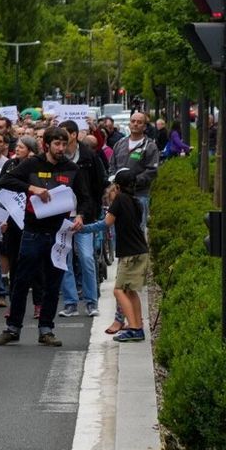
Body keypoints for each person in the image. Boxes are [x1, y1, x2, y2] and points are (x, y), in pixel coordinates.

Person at [0, 127, 91, 348]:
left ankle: (46, 329)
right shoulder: (32, 164)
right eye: (57, 144)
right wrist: (32, 188)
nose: (61, 149)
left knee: (53, 282)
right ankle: (12, 328)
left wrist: (81, 216)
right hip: (33, 231)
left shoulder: (72, 168)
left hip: (59, 233)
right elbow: (5, 183)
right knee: (21, 280)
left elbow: (85, 197)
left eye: (64, 144)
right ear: (46, 145)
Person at [57, 120, 107, 319]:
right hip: (61, 218)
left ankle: (91, 302)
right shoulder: (56, 158)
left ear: (74, 135)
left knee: (86, 257)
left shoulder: (89, 156)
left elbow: (99, 183)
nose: (60, 139)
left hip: (84, 216)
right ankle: (70, 302)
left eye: (64, 134)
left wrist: (90, 209)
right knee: (64, 260)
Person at [101, 170, 149, 342]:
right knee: (130, 291)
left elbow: (107, 222)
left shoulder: (120, 199)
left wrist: (83, 228)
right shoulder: (136, 202)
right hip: (140, 250)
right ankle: (137, 324)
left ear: (118, 186)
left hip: (130, 254)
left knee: (118, 290)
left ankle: (135, 328)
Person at [108, 112, 160, 233]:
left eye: (139, 122)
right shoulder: (119, 144)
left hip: (139, 195)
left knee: (138, 230)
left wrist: (133, 181)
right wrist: (114, 181)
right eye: (133, 121)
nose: (135, 124)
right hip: (118, 196)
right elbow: (112, 165)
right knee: (117, 230)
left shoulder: (150, 146)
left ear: (145, 126)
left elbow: (152, 170)